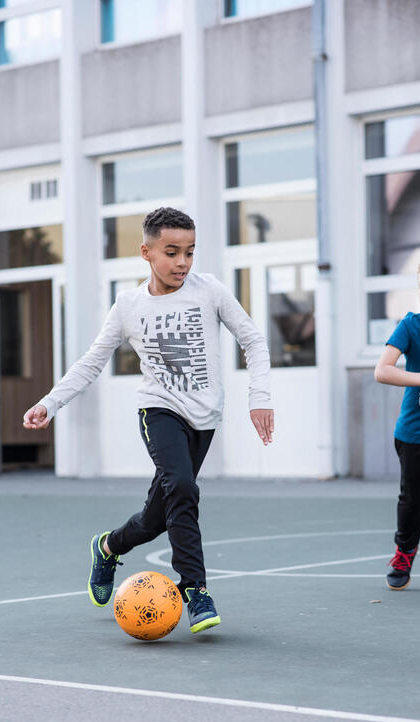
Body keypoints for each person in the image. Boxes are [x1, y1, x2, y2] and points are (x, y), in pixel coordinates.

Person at [23, 207, 274, 633]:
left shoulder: (209, 291)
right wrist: (50, 403)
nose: (182, 262)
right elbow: (91, 363)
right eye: (171, 252)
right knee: (180, 485)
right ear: (146, 252)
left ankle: (108, 546)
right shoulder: (129, 306)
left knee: (158, 516)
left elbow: (252, 339)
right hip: (159, 410)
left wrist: (260, 397)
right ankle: (195, 588)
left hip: (204, 417)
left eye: (190, 252)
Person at [374, 252, 420, 590]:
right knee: (413, 501)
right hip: (417, 431)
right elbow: (382, 370)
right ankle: (404, 552)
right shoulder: (412, 326)